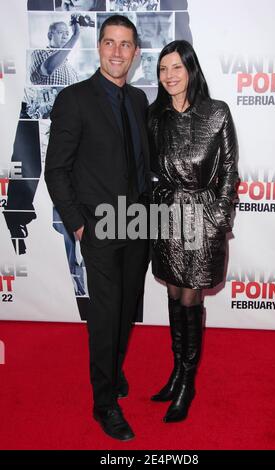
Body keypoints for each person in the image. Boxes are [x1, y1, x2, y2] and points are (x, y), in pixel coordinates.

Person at [45, 15, 150, 441]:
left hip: (139, 223)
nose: (118, 52)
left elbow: (141, 164)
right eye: (110, 42)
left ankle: (114, 368)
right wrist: (78, 225)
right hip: (100, 227)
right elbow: (56, 170)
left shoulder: (140, 100)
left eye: (126, 45)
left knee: (126, 310)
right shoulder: (75, 99)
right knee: (106, 315)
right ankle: (104, 402)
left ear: (136, 52)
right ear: (99, 47)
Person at [148, 40, 239, 423]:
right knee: (172, 291)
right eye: (163, 69)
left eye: (176, 68)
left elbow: (230, 173)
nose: (169, 76)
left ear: (191, 69)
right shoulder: (155, 116)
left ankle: (188, 380)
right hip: (168, 216)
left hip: (202, 217)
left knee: (190, 297)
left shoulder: (216, 113)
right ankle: (176, 371)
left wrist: (219, 219)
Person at [30, 19, 79, 85]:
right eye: (60, 32)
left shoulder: (73, 71)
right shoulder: (39, 53)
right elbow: (47, 69)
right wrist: (75, 37)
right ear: (50, 36)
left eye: (67, 34)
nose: (65, 36)